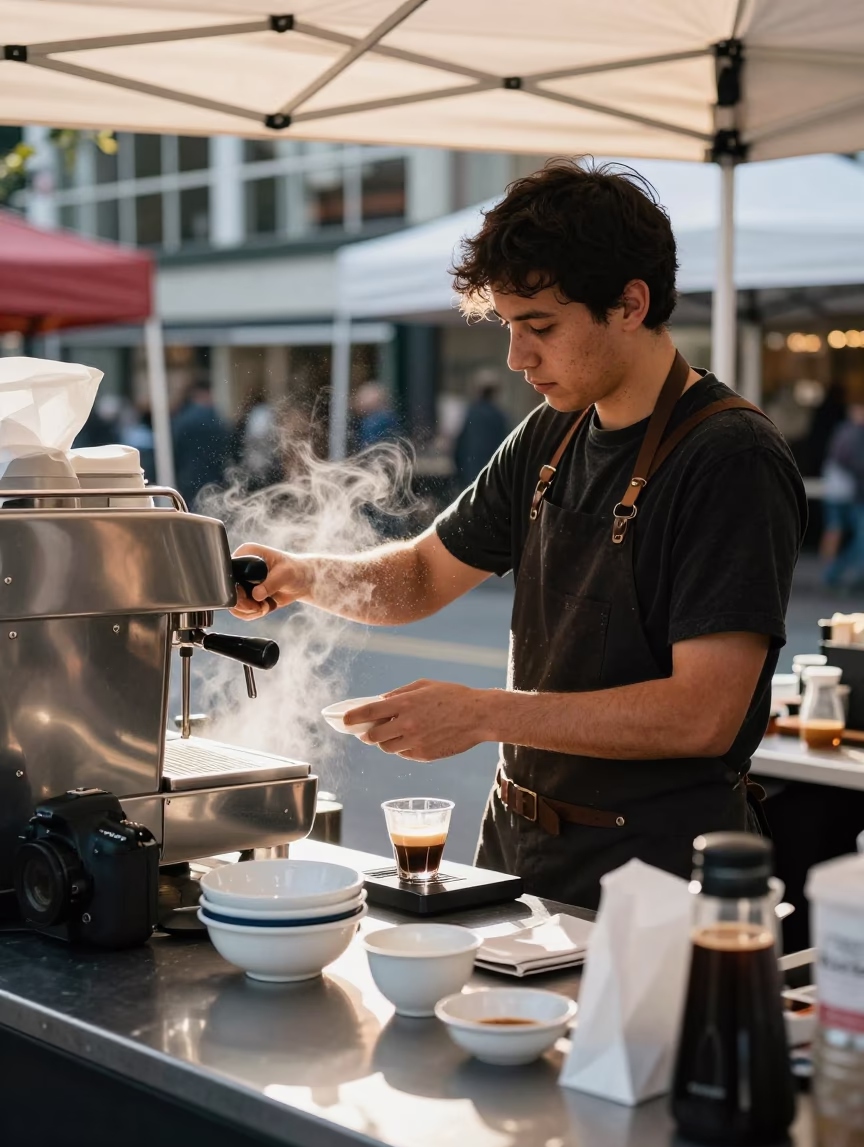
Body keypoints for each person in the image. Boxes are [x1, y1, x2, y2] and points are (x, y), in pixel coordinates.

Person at [231, 160, 806, 911]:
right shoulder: (552, 433)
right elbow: (421, 576)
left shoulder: (730, 457)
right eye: (508, 327)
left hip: (658, 875)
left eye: (540, 327)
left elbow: (702, 714)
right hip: (514, 849)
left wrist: (481, 712)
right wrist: (300, 574)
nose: (516, 357)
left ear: (630, 303)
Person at [822, 403, 864, 589]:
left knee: (837, 531)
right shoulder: (852, 433)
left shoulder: (844, 431)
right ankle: (832, 574)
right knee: (842, 532)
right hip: (846, 492)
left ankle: (831, 573)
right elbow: (854, 462)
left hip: (840, 491)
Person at [172, 380, 232, 507]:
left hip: (189, 477)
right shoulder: (215, 418)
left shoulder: (183, 419)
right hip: (214, 477)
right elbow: (228, 446)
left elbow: (176, 451)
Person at [453, 371, 510, 488]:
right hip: (492, 477)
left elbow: (459, 446)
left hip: (470, 474)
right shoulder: (499, 416)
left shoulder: (471, 414)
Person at [352, 382, 401, 450]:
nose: (359, 401)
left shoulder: (373, 421)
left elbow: (369, 446)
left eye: (363, 397)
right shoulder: (388, 417)